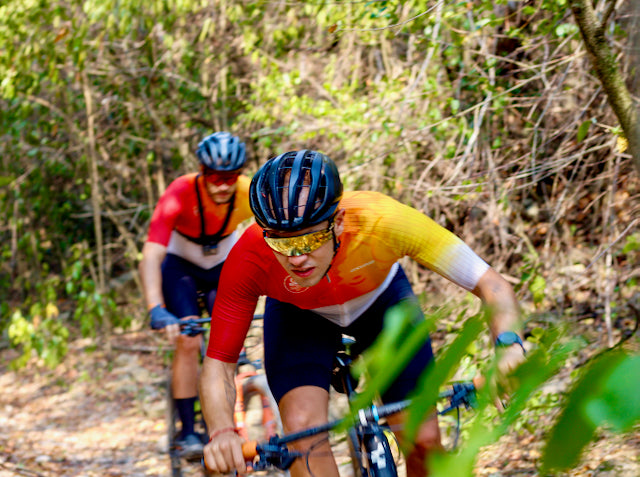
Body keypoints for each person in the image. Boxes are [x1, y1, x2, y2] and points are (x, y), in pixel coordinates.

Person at [199, 150, 525, 476]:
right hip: (300, 314)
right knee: (302, 434)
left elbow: (491, 284)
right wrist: (222, 432)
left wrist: (510, 344)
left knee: (424, 440)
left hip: (380, 302)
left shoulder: (383, 221)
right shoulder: (250, 254)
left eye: (311, 238)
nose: (298, 257)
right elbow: (220, 361)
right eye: (283, 244)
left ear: (338, 221)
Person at [139, 132, 253, 459]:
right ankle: (187, 431)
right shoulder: (180, 192)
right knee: (189, 339)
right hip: (181, 266)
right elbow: (151, 254)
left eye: (230, 177)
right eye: (215, 178)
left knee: (228, 343)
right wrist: (156, 307)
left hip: (224, 264)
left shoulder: (247, 192)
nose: (223, 186)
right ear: (202, 173)